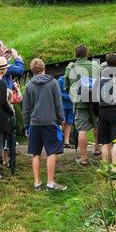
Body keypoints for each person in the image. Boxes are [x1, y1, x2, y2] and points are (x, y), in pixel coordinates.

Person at [24, 59, 67, 191]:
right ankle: (50, 183)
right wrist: (61, 119)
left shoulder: (29, 86)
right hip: (50, 122)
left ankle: (37, 183)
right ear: (44, 68)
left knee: (35, 153)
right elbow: (58, 103)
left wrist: (27, 125)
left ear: (32, 71)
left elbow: (26, 108)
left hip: (34, 123)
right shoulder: (53, 83)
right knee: (52, 151)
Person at [95, 53, 116, 168]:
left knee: (105, 142)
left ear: (106, 63)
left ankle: (105, 168)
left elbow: (94, 99)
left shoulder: (99, 78)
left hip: (102, 112)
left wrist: (97, 113)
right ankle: (115, 168)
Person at [67, 45, 96, 166]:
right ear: (87, 53)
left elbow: (66, 86)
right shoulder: (95, 65)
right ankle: (98, 149)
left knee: (82, 129)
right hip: (95, 101)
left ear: (75, 54)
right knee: (97, 125)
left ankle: (84, 158)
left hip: (79, 102)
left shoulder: (71, 68)